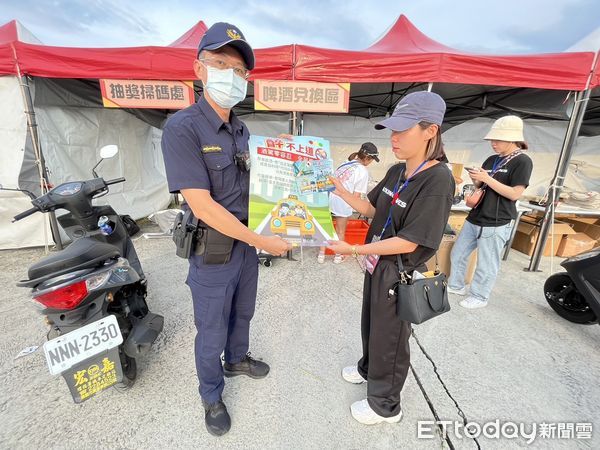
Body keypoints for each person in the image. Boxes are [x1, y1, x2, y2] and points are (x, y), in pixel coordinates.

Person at [160, 22, 290, 436]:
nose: (231, 77)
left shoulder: (240, 128)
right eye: (220, 64)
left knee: (242, 313)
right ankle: (211, 393)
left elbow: (255, 188)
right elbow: (201, 205)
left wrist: (291, 180)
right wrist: (262, 240)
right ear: (199, 70)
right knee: (211, 327)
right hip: (213, 250)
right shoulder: (183, 128)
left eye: (239, 71)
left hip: (246, 248)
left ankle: (236, 361)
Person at [328, 91, 455, 425]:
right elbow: (372, 210)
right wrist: (340, 191)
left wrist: (354, 249)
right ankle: (369, 369)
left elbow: (411, 242)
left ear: (431, 131)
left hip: (400, 271)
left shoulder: (438, 179)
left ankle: (386, 405)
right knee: (371, 323)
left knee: (393, 339)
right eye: (392, 130)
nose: (394, 138)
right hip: (377, 263)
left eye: (403, 130)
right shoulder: (398, 171)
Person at [448, 115, 533, 309]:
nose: (493, 143)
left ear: (512, 139)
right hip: (476, 215)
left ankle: (479, 296)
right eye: (492, 140)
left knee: (486, 263)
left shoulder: (522, 161)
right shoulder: (492, 159)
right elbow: (484, 184)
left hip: (498, 220)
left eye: (497, 140)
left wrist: (487, 179)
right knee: (458, 253)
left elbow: (514, 194)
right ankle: (456, 285)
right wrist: (477, 178)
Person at [317, 142, 379, 264]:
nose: (371, 162)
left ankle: (321, 255)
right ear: (367, 158)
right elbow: (355, 197)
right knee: (340, 231)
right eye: (371, 159)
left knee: (325, 228)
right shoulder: (362, 171)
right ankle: (337, 256)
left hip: (328, 197)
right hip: (342, 201)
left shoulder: (346, 162)